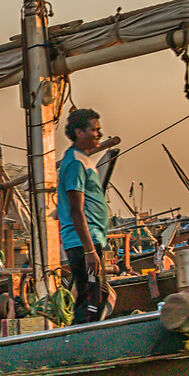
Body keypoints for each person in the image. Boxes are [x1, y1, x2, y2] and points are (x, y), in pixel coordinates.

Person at [56, 107, 120, 324]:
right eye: (94, 130)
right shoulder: (74, 163)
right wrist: (90, 250)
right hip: (84, 242)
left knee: (97, 296)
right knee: (90, 301)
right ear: (79, 132)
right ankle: (81, 344)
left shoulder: (82, 160)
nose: (99, 134)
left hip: (90, 240)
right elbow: (76, 210)